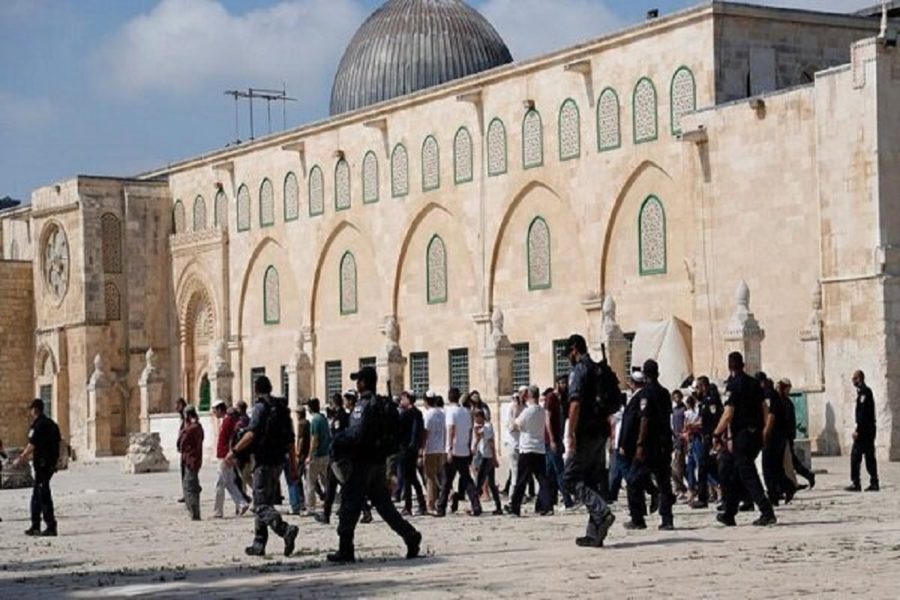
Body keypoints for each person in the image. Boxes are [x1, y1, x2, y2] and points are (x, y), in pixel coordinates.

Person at [326, 366, 422, 563]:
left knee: (349, 506)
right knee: (385, 507)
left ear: (363, 383)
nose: (356, 384)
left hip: (361, 463)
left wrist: (337, 439)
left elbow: (356, 433)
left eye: (358, 380)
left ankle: (345, 549)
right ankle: (410, 535)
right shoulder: (382, 404)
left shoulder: (363, 405)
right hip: (378, 462)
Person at [226, 376, 300, 557]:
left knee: (260, 505)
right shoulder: (282, 409)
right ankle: (259, 544)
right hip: (279, 462)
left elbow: (252, 434)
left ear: (256, 389)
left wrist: (234, 451)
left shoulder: (260, 408)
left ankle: (285, 529)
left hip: (263, 461)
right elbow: (291, 440)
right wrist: (293, 465)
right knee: (262, 499)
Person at [562, 334, 615, 548]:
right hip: (601, 430)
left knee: (569, 478)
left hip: (585, 432)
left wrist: (571, 433)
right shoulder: (598, 369)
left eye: (569, 354)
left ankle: (602, 512)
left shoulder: (580, 371)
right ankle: (594, 534)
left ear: (575, 349)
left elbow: (574, 405)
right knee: (591, 480)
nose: (569, 358)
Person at [714, 352, 777, 527]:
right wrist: (764, 432)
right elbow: (764, 408)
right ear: (742, 364)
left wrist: (716, 434)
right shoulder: (754, 383)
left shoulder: (734, 385)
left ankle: (767, 511)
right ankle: (729, 512)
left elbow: (728, 414)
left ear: (730, 366)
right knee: (731, 471)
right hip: (755, 435)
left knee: (747, 474)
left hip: (741, 436)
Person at [622, 360, 675, 531]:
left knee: (633, 480)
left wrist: (640, 444)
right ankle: (667, 519)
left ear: (645, 375)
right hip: (664, 443)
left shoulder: (645, 394)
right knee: (664, 481)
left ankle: (637, 519)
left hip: (650, 444)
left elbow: (644, 420)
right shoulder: (665, 393)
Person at [14, 399, 61, 536]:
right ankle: (35, 525)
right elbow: (58, 443)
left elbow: (32, 444)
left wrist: (21, 458)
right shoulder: (52, 424)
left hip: (42, 464)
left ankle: (51, 526)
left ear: (35, 410)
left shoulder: (38, 425)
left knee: (43, 494)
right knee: (37, 495)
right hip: (49, 464)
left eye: (31, 409)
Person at [436, 387, 482, 517]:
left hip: (454, 450)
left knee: (447, 481)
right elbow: (469, 429)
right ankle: (476, 505)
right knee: (467, 480)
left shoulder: (450, 412)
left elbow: (451, 430)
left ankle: (441, 507)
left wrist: (449, 449)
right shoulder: (466, 412)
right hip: (464, 450)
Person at [505, 385, 548, 516]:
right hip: (539, 448)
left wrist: (515, 412)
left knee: (521, 480)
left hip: (527, 449)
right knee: (542, 479)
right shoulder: (542, 411)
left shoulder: (528, 411)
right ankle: (547, 505)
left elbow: (513, 426)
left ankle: (515, 506)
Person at [758, 374, 795, 506]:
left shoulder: (769, 396)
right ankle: (788, 486)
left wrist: (765, 432)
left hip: (772, 436)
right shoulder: (775, 396)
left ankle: (774, 495)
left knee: (767, 467)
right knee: (777, 467)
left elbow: (771, 416)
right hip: (780, 436)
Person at [689, 377, 722, 509]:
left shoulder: (711, 401)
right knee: (704, 468)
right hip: (705, 437)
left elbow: (712, 420)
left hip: (711, 437)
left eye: (698, 387)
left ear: (703, 386)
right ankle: (703, 498)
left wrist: (694, 425)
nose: (697, 390)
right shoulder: (703, 402)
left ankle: (719, 493)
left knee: (708, 467)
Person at [541, 382, 574, 511]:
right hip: (551, 441)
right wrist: (553, 439)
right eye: (562, 383)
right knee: (559, 470)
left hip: (556, 440)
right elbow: (547, 419)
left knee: (550, 472)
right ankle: (567, 499)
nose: (564, 385)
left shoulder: (562, 400)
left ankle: (550, 500)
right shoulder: (551, 398)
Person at [213, 401, 249, 518]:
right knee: (229, 483)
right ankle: (242, 503)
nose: (214, 413)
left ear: (219, 409)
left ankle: (218, 511)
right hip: (226, 455)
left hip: (225, 456)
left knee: (220, 483)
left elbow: (230, 439)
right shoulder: (228, 420)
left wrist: (230, 455)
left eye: (214, 410)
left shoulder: (228, 421)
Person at [777, 379, 815, 489]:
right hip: (785, 437)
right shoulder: (782, 401)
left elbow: (788, 421)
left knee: (790, 461)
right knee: (790, 461)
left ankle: (797, 481)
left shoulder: (786, 403)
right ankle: (800, 479)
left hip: (786, 437)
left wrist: (789, 437)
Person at [846, 370, 879, 492]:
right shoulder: (863, 392)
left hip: (865, 430)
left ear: (859, 378)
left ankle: (856, 483)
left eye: (854, 378)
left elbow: (863, 414)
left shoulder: (864, 392)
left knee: (856, 456)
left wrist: (858, 430)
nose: (853, 381)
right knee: (869, 456)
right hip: (869, 429)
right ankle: (874, 482)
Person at [398, 391, 427, 516]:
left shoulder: (411, 414)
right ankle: (420, 504)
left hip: (408, 450)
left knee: (408, 478)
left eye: (403, 398)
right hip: (409, 449)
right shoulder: (412, 413)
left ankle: (410, 506)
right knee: (412, 479)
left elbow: (416, 432)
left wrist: (414, 447)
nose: (401, 401)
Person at [472, 408, 503, 515]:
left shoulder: (487, 427)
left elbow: (491, 443)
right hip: (485, 456)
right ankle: (498, 506)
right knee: (491, 483)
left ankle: (476, 507)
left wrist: (494, 458)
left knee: (479, 483)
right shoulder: (483, 427)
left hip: (487, 457)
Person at [178, 405, 204, 521]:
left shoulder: (190, 429)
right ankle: (195, 511)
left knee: (190, 486)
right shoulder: (199, 427)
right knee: (192, 484)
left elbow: (180, 443)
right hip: (197, 459)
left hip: (190, 460)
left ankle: (194, 513)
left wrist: (184, 428)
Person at [422, 391, 446, 514]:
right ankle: (440, 500)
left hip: (430, 449)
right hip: (440, 448)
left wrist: (422, 449)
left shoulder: (427, 415)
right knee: (439, 476)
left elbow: (426, 433)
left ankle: (430, 504)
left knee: (430, 477)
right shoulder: (442, 414)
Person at [306, 398, 331, 514]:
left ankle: (311, 507)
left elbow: (314, 439)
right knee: (326, 482)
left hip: (317, 456)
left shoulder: (315, 420)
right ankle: (328, 503)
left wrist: (310, 455)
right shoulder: (324, 419)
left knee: (310, 482)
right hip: (326, 454)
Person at [501, 389, 525, 496]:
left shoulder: (525, 408)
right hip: (513, 444)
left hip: (523, 444)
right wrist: (515, 414)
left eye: (518, 398)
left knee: (521, 472)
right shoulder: (510, 408)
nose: (516, 400)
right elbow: (511, 427)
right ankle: (513, 496)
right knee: (515, 472)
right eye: (514, 398)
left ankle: (519, 495)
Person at [671, 390, 688, 500]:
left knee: (678, 466)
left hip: (682, 440)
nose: (677, 399)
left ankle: (680, 488)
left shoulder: (684, 409)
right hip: (675, 439)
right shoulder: (673, 410)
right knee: (675, 466)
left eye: (678, 397)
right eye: (675, 397)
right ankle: (680, 487)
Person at [175, 397, 187, 504]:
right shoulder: (183, 419)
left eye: (177, 405)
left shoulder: (187, 419)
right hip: (184, 451)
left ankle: (189, 492)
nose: (176, 408)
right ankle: (186, 493)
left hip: (188, 452)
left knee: (187, 473)